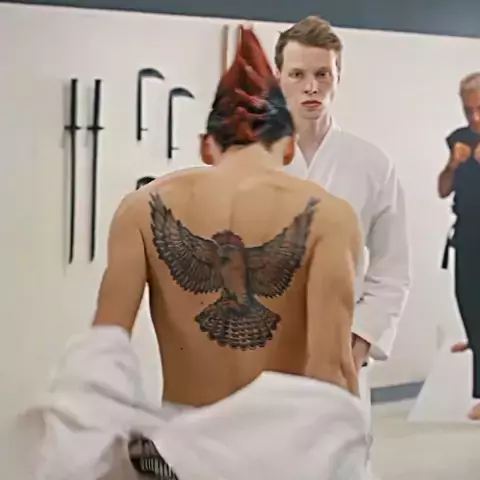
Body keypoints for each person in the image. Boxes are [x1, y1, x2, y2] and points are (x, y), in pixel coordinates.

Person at [14, 27, 371, 480]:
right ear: (287, 148)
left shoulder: (142, 208)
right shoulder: (328, 217)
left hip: (176, 457)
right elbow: (331, 374)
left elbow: (102, 351)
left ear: (207, 144)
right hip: (281, 457)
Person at [275, 15, 411, 417]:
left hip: (340, 351)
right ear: (279, 77)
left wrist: (359, 344)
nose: (311, 87)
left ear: (338, 76)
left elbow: (392, 270)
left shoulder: (371, 164)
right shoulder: (252, 161)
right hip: (262, 350)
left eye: (323, 74)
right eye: (298, 74)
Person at [438, 72, 480, 421]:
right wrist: (453, 165)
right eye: (468, 111)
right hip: (467, 233)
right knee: (467, 299)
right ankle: (474, 337)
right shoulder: (459, 139)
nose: (475, 118)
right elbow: (442, 189)